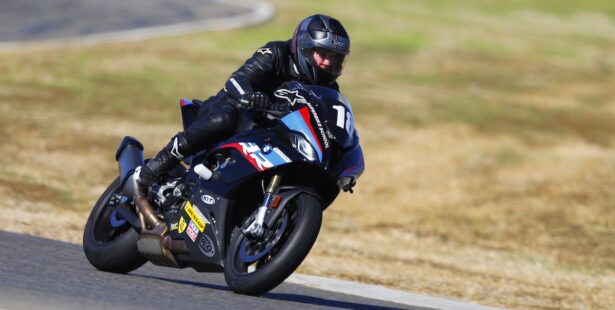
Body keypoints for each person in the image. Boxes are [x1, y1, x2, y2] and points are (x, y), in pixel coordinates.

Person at [135, 14, 351, 193]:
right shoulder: (276, 53)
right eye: (322, 54)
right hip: (238, 109)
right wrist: (249, 96)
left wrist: (343, 163)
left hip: (272, 132)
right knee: (223, 119)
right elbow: (237, 80)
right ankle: (150, 171)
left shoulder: (330, 90)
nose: (327, 62)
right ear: (304, 47)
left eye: (335, 57)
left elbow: (332, 125)